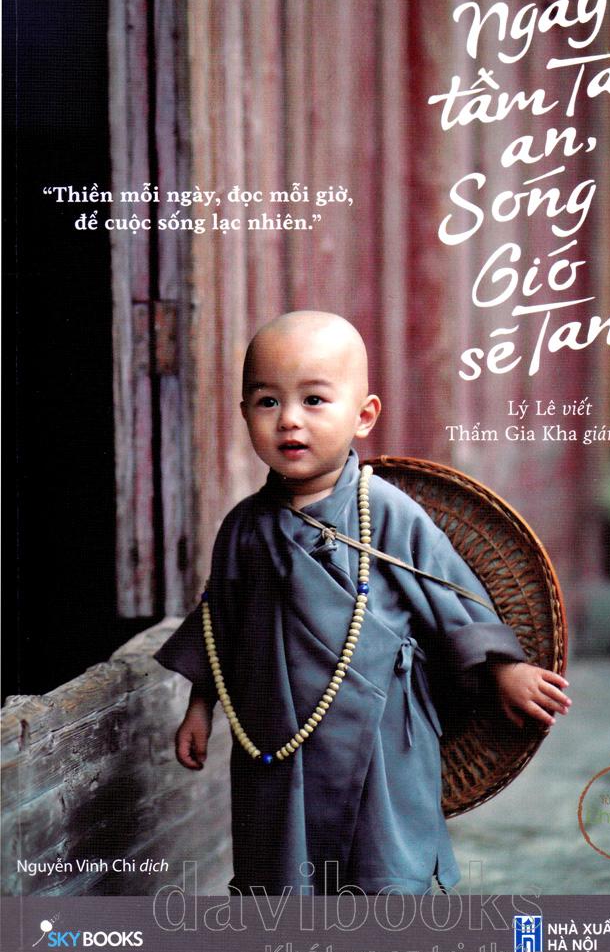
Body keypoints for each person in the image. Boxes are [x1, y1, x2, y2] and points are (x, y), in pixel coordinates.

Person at [155, 310, 570, 895]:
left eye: (314, 400)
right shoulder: (244, 527)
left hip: (382, 730)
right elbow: (219, 625)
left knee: (381, 865)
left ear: (364, 414)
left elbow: (451, 595)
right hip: (277, 731)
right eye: (268, 401)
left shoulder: (386, 510)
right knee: (282, 868)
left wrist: (505, 668)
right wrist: (200, 708)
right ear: (244, 412)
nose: (289, 419)